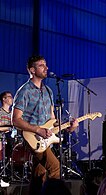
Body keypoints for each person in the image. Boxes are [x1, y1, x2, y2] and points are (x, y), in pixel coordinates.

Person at [12, 55, 78, 194]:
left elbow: (52, 118)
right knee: (55, 168)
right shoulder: (24, 91)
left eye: (46, 64)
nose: (46, 68)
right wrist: (37, 130)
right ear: (32, 70)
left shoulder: (49, 91)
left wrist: (68, 126)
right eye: (41, 65)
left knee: (39, 173)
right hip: (32, 137)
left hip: (44, 138)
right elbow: (16, 120)